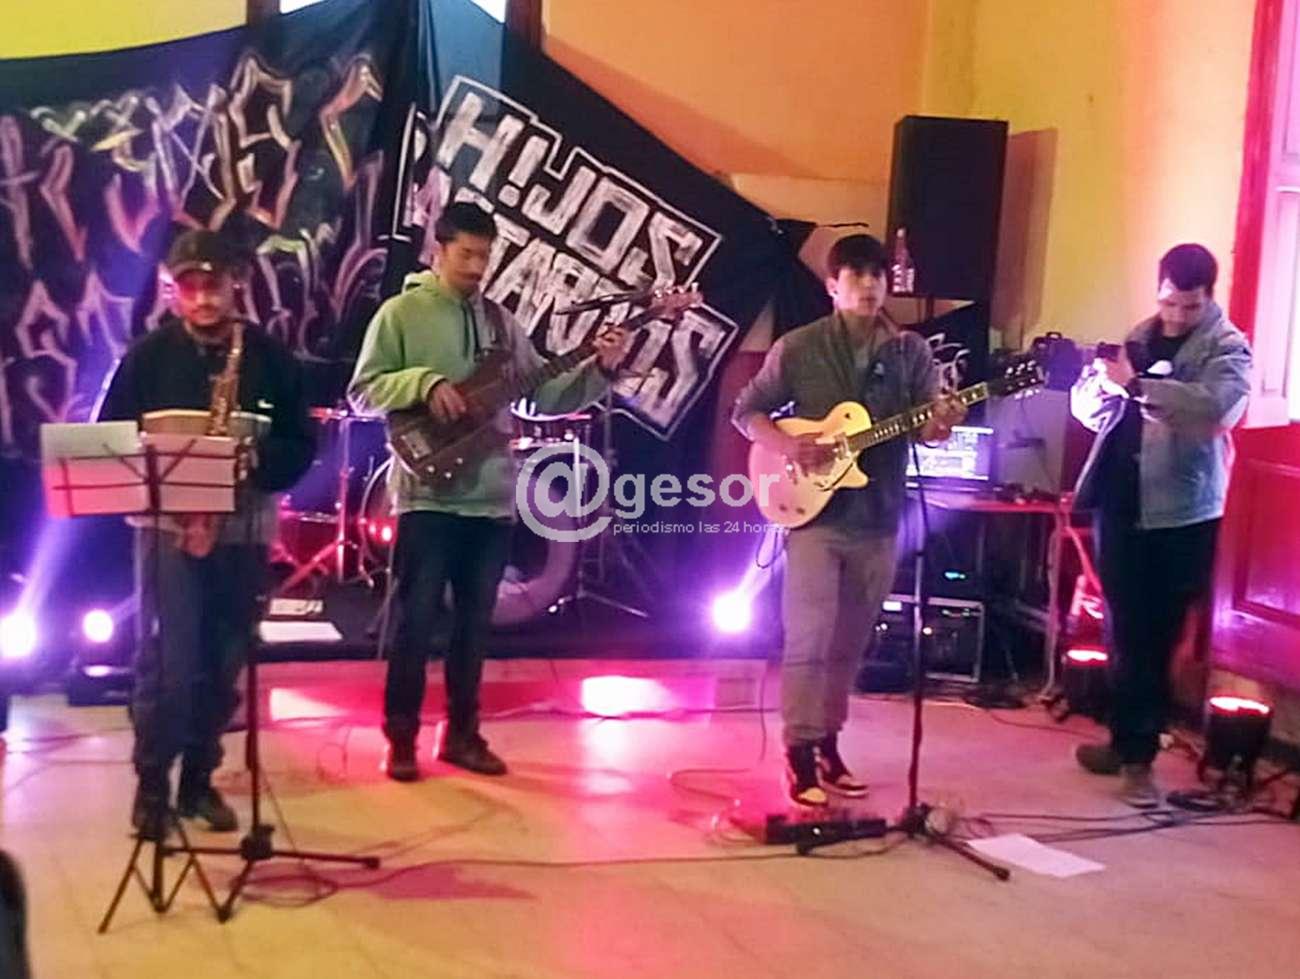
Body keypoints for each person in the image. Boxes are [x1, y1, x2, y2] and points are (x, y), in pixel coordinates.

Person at [349, 201, 628, 781]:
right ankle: (401, 737)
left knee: (475, 627)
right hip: (427, 498)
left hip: (491, 500)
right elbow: (363, 392)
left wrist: (600, 369)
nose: (477, 267)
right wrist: (423, 384)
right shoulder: (401, 313)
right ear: (439, 250)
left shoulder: (503, 323)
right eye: (467, 254)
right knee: (416, 622)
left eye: (485, 256)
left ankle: (463, 734)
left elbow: (543, 397)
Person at [732, 233, 965, 807]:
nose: (868, 286)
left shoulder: (910, 352)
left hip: (879, 516)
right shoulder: (800, 347)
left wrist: (942, 423)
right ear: (833, 287)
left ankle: (829, 743)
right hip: (816, 518)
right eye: (855, 276)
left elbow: (927, 430)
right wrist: (788, 446)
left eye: (876, 276)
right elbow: (747, 411)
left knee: (850, 644)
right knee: (809, 638)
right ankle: (799, 749)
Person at [99, 229, 314, 837]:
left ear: (234, 284)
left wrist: (259, 461)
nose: (202, 299)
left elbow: (302, 444)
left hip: (243, 532)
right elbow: (110, 442)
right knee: (169, 663)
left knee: (223, 663)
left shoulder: (270, 359)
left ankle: (198, 781)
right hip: (166, 532)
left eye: (212, 286)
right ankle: (151, 788)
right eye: (188, 287)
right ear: (172, 290)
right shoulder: (147, 357)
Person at [1071, 243, 1251, 808]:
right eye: (1168, 303)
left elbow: (1216, 410)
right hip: (1120, 502)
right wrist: (1101, 385)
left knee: (1158, 633)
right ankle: (1124, 740)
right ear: (1158, 291)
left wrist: (1137, 386)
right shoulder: (1139, 337)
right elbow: (1090, 411)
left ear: (1209, 297)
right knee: (1122, 627)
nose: (1175, 316)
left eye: (1188, 306)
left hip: (1181, 512)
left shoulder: (1228, 347)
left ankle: (1140, 758)